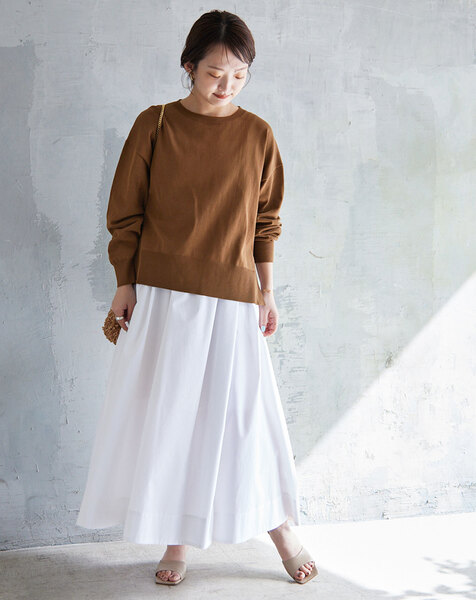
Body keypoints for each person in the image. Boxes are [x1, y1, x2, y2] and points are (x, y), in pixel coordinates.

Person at [76, 9, 318, 586]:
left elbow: (266, 221)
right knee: (172, 420)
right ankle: (176, 542)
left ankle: (283, 530)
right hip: (162, 295)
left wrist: (267, 292)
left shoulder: (258, 134)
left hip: (233, 298)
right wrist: (124, 282)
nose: (225, 85)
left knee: (244, 420)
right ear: (189, 66)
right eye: (214, 73)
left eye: (239, 76)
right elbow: (126, 212)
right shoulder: (156, 123)